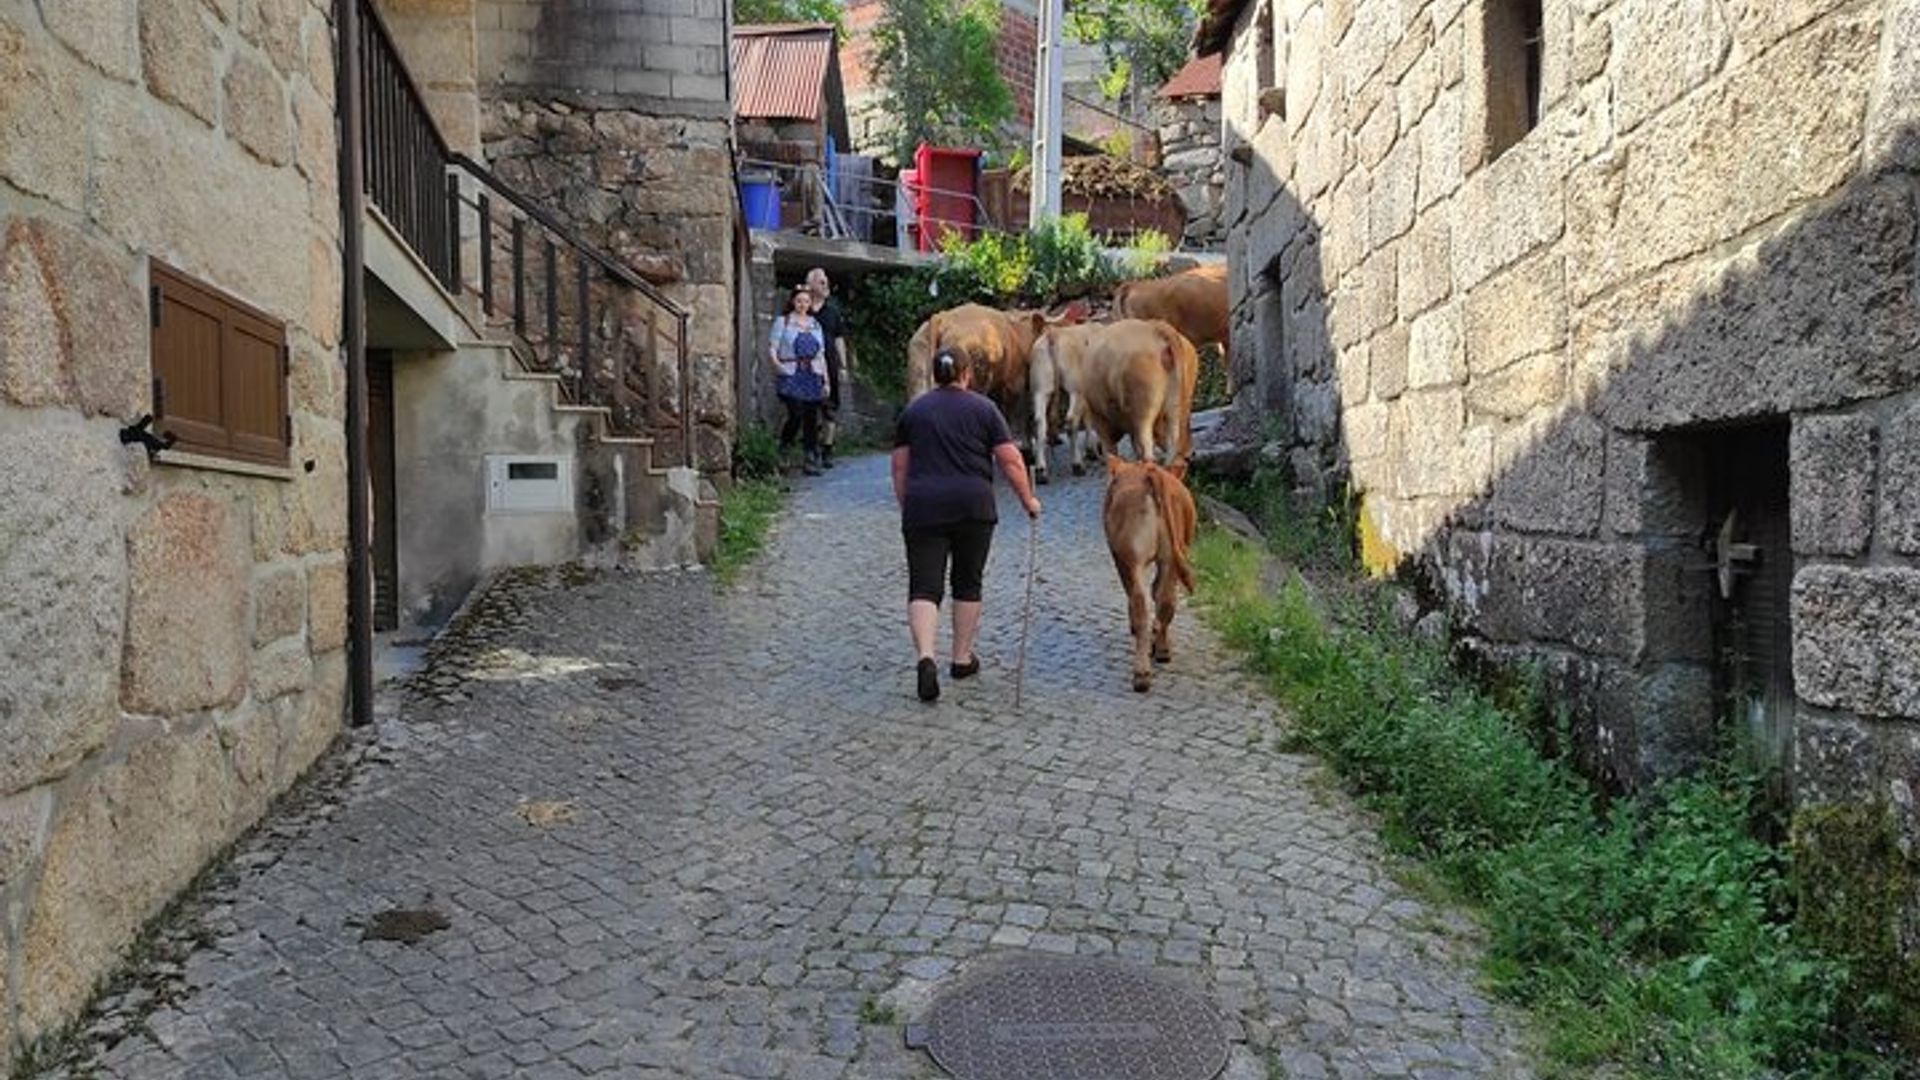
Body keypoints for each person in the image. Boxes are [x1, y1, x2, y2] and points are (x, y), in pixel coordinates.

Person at [892, 345, 1042, 703]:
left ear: (935, 375)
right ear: (966, 374)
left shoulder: (914, 412)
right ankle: (961, 658)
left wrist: (907, 504)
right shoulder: (984, 409)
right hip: (973, 506)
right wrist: (1028, 500)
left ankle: (926, 656)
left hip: (924, 507)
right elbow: (1010, 460)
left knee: (924, 586)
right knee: (967, 582)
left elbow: (899, 466)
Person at [769, 284, 828, 475]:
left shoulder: (815, 324)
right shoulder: (783, 322)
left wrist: (826, 380)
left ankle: (810, 457)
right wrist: (777, 365)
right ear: (793, 301)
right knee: (796, 413)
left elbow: (821, 354)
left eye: (806, 301)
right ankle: (784, 449)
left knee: (811, 417)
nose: (803, 304)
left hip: (812, 373)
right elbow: (773, 347)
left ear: (810, 303)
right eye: (799, 300)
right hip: (791, 372)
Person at [805, 267, 849, 469]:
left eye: (826, 282)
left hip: (829, 364)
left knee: (830, 408)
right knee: (809, 409)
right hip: (807, 367)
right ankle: (811, 450)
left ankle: (827, 450)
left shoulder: (833, 311)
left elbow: (839, 338)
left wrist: (843, 366)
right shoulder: (803, 309)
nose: (826, 285)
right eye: (821, 282)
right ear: (811, 285)